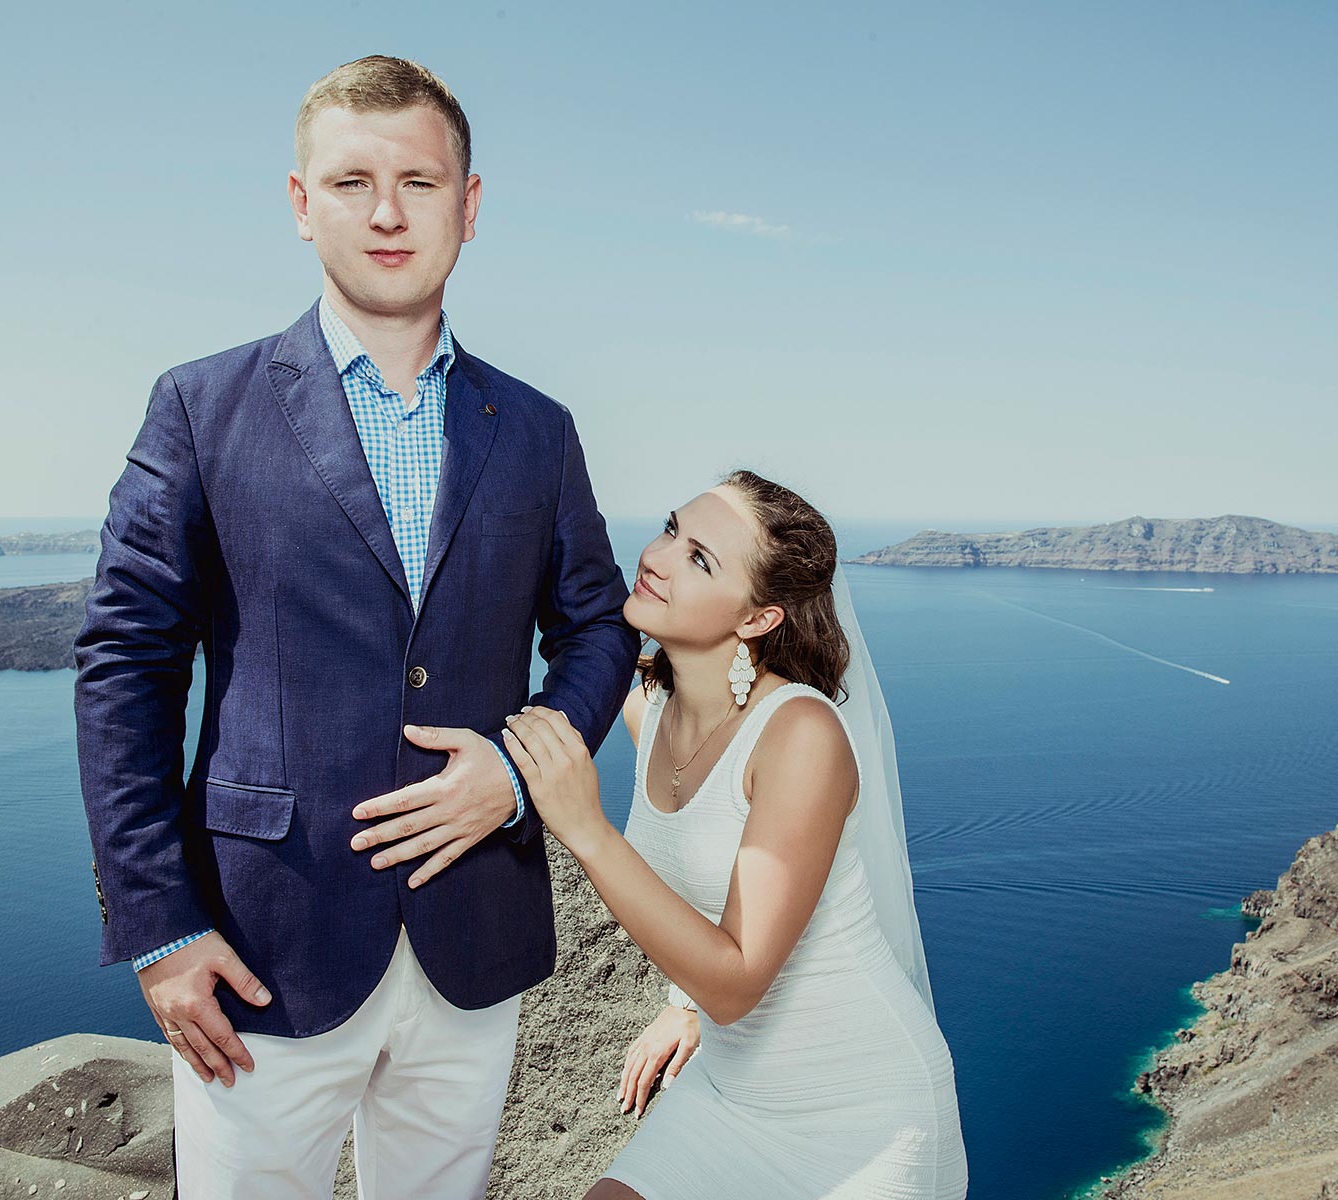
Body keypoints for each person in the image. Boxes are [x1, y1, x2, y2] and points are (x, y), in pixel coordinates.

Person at [72, 54, 636, 1199]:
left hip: (475, 933)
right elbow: (125, 664)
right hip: (260, 948)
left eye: (419, 183)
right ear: (301, 203)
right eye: (351, 183)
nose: (387, 213)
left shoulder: (538, 428)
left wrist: (514, 772)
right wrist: (160, 927)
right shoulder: (201, 406)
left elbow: (599, 631)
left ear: (468, 206)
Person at [501, 470, 970, 1199]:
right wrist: (680, 1003)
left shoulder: (801, 734)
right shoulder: (647, 706)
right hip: (725, 1093)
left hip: (862, 1117)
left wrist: (587, 829)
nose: (657, 558)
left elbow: (738, 982)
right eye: (670, 529)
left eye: (700, 559)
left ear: (757, 618)